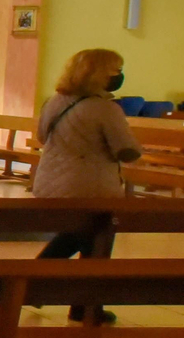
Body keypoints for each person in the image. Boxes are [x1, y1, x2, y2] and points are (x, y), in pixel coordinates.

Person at [33, 48, 142, 323]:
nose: (119, 76)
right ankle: (75, 301)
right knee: (97, 243)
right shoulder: (104, 108)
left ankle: (44, 287)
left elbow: (40, 136)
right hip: (90, 184)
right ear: (100, 74)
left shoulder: (55, 101)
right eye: (115, 70)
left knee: (79, 236)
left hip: (51, 179)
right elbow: (126, 150)